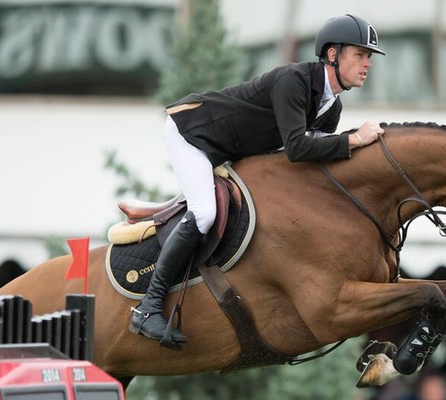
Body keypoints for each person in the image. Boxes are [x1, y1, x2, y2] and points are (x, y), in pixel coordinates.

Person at [129, 14, 387, 347]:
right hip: (192, 134)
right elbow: (296, 148)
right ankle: (148, 307)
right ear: (333, 55)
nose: (367, 64)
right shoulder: (294, 80)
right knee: (204, 212)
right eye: (360, 55)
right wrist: (353, 140)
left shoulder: (330, 108)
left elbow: (315, 162)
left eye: (369, 57)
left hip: (226, 150)